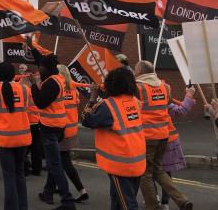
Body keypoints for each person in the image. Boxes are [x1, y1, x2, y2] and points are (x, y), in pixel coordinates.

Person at [82, 66, 146, 210]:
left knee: (127, 205)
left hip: (120, 165)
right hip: (137, 160)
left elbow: (87, 120)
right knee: (118, 200)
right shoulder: (135, 101)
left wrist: (92, 97)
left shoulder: (108, 106)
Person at [134, 60, 192, 210]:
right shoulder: (165, 87)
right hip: (163, 136)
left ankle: (153, 206)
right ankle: (182, 200)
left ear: (140, 70)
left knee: (145, 174)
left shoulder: (137, 87)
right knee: (159, 170)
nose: (134, 72)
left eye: (135, 69)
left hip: (146, 136)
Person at [27, 37, 75, 210]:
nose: (39, 70)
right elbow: (42, 60)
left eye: (41, 68)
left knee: (55, 165)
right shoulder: (57, 76)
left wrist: (33, 86)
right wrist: (31, 47)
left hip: (50, 128)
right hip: (59, 125)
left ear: (47, 69)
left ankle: (67, 201)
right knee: (55, 161)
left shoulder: (52, 84)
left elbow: (40, 103)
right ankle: (48, 192)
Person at [0, 62, 31, 210]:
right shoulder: (25, 89)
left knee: (9, 176)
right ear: (13, 74)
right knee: (20, 173)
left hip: (4, 140)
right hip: (23, 138)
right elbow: (28, 106)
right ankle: (23, 207)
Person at [160, 86, 195, 209]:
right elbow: (182, 110)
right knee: (165, 172)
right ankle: (164, 203)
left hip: (150, 141)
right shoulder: (166, 103)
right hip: (167, 140)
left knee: (149, 174)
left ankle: (156, 200)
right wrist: (189, 95)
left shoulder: (145, 100)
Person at [56, 65, 88, 202]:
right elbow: (77, 103)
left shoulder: (58, 88)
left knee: (64, 161)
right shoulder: (73, 89)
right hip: (72, 129)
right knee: (58, 159)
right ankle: (55, 186)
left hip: (62, 129)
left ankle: (82, 190)